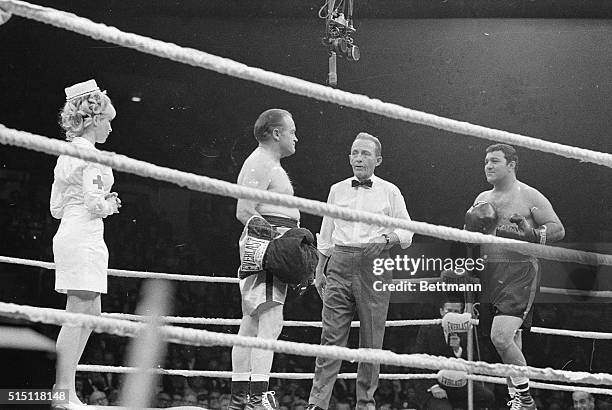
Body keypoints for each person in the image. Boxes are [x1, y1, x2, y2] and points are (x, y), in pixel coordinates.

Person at [307, 133, 414, 410]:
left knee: (371, 338)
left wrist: (386, 239)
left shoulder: (390, 191)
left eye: (365, 153)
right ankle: (317, 403)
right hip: (340, 262)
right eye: (354, 153)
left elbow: (407, 230)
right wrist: (320, 270)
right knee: (330, 337)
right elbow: (326, 232)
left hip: (374, 263)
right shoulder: (337, 189)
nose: (358, 158)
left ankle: (365, 403)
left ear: (378, 160)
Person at [465, 143, 564, 409]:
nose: (488, 165)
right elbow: (474, 241)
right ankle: (516, 401)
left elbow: (558, 229)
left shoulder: (530, 196)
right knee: (510, 340)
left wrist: (532, 234)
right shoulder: (481, 199)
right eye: (486, 161)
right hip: (491, 273)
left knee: (501, 337)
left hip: (520, 272)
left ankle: (526, 399)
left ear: (511, 165)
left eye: (495, 161)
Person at [51, 79, 121, 408]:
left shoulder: (67, 153)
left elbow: (55, 207)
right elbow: (96, 205)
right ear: (94, 120)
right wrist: (111, 204)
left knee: (89, 312)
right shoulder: (90, 155)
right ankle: (63, 391)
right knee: (79, 313)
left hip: (72, 230)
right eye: (107, 120)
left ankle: (66, 388)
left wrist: (91, 202)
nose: (110, 127)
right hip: (84, 234)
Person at [228, 108, 299, 410]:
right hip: (268, 250)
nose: (297, 136)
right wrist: (278, 245)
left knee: (253, 323)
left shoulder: (267, 163)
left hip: (269, 249)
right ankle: (256, 401)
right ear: (276, 133)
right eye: (292, 129)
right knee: (269, 322)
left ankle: (240, 401)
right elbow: (245, 211)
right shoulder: (260, 162)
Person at [414, 300, 494, 409]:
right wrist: (433, 386)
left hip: (458, 383)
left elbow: (472, 360)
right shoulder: (428, 329)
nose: (452, 315)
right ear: (441, 311)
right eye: (449, 311)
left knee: (487, 397)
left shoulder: (466, 330)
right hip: (432, 382)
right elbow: (419, 360)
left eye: (456, 311)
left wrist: (457, 349)